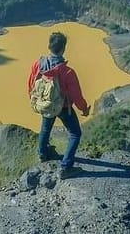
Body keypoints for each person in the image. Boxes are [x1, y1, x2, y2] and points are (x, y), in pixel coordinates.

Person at [27, 31, 90, 179]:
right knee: (75, 134)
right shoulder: (67, 72)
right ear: (63, 49)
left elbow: (31, 84)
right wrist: (84, 109)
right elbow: (76, 95)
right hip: (63, 107)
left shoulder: (38, 64)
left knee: (45, 128)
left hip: (45, 104)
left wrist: (36, 100)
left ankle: (42, 154)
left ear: (49, 46)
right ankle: (66, 167)